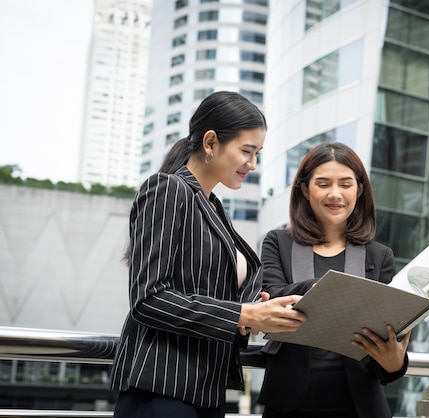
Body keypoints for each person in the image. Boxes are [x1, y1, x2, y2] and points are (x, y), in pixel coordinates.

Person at [110, 91, 307, 418]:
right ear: (211, 142)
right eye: (246, 151)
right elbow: (149, 299)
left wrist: (256, 311)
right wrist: (243, 315)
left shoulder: (212, 206)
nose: (253, 164)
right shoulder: (169, 189)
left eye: (257, 153)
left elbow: (209, 294)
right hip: (164, 386)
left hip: (205, 389)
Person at [257, 142, 411, 418]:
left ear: (360, 189)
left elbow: (388, 336)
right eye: (323, 183)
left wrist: (395, 363)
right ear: (305, 189)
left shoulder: (380, 255)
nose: (335, 194)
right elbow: (273, 298)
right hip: (289, 404)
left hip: (359, 407)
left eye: (346, 184)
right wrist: (322, 289)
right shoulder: (278, 242)